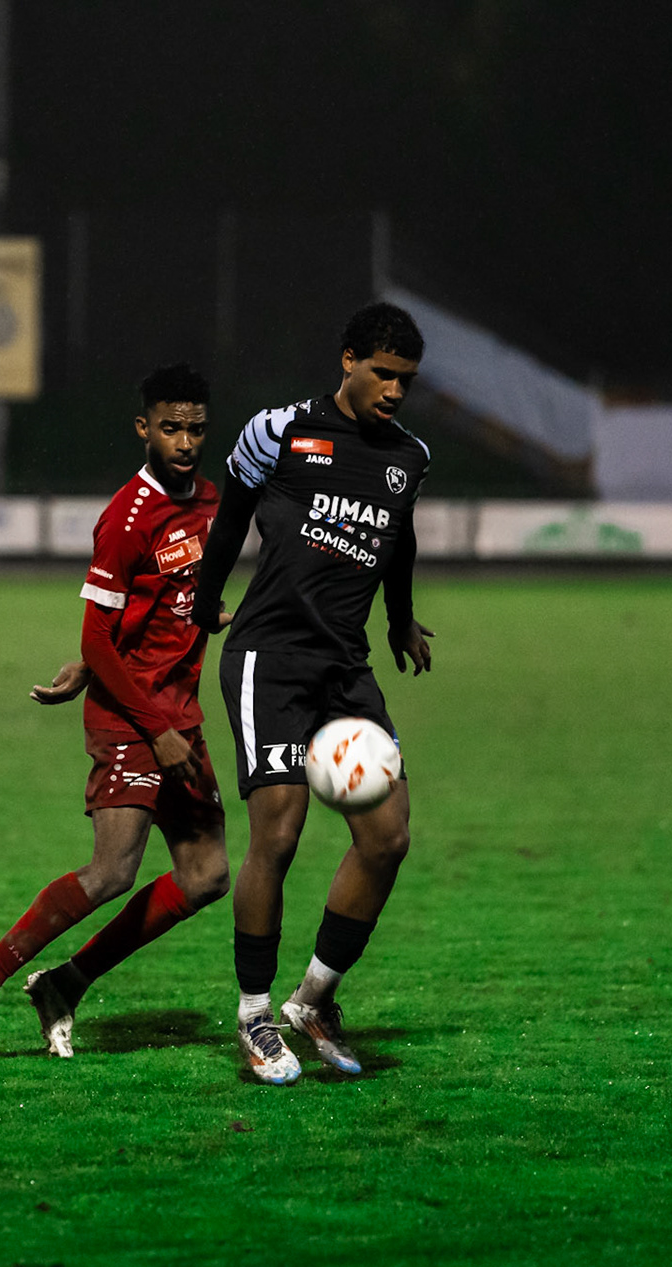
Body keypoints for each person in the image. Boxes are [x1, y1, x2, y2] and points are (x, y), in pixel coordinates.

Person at [0, 363, 231, 1061]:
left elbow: (163, 601)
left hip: (179, 716)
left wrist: (204, 613)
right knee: (111, 872)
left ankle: (65, 983)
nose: (184, 441)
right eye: (170, 427)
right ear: (143, 429)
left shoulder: (210, 500)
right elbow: (97, 638)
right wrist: (152, 726)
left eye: (195, 428)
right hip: (133, 720)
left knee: (206, 875)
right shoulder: (128, 517)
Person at [190, 301, 436, 1085]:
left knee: (388, 837)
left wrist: (399, 620)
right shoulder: (280, 431)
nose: (395, 391)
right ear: (348, 360)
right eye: (383, 374)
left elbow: (399, 541)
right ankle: (254, 1014)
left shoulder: (409, 457)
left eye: (406, 380)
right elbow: (229, 520)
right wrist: (203, 604)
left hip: (343, 667)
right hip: (268, 658)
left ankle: (315, 999)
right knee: (280, 834)